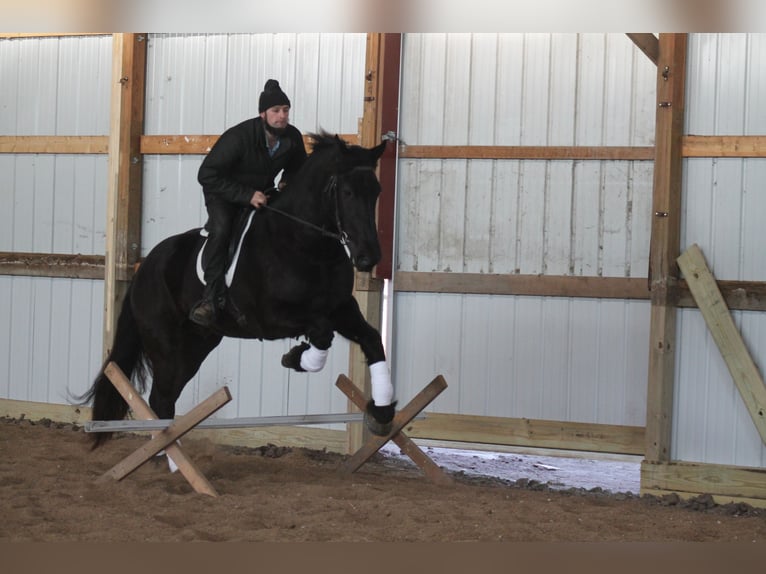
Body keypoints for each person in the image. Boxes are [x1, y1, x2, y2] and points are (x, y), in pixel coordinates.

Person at [189, 79, 308, 327]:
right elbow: (207, 175)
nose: (282, 116)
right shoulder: (238, 137)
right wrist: (246, 195)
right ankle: (210, 299)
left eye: (286, 110)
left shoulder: (293, 137)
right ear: (262, 113)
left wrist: (287, 181)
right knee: (222, 230)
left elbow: (298, 168)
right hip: (222, 194)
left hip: (261, 194)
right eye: (275, 111)